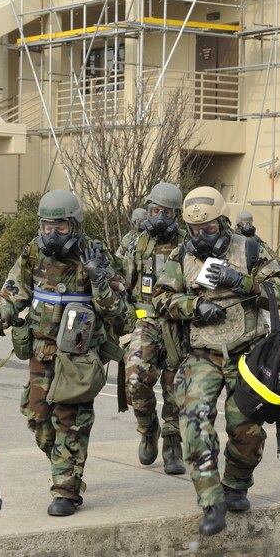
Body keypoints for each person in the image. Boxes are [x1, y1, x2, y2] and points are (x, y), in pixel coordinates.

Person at [0, 190, 129, 517]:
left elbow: (118, 311)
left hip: (79, 354)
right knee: (39, 419)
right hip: (41, 350)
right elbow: (12, 292)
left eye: (60, 228)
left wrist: (99, 278)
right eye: (47, 227)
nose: (52, 235)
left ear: (74, 225)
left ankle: (66, 490)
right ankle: (67, 469)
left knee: (70, 422)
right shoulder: (34, 253)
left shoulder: (95, 255)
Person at [153, 186, 280, 536]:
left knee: (247, 427)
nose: (201, 237)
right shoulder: (181, 256)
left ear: (223, 221)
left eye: (209, 229)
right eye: (195, 231)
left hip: (247, 352)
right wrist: (193, 306)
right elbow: (162, 298)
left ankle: (236, 483)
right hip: (202, 354)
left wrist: (242, 282)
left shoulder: (250, 248)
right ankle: (211, 501)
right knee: (194, 422)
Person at [122, 182, 186, 475]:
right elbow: (122, 284)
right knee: (136, 380)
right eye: (154, 210)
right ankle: (148, 429)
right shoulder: (136, 243)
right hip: (146, 321)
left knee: (176, 387)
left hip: (180, 324)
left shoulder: (188, 244)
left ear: (177, 215)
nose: (159, 217)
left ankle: (173, 440)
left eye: (166, 212)